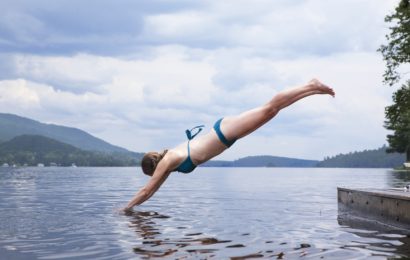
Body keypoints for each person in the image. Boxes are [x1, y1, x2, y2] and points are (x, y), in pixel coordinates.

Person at [124, 79, 335, 210]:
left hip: (223, 133)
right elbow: (152, 191)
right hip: (225, 136)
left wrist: (124, 210)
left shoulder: (168, 159)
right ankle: (312, 89)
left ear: (152, 168)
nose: (154, 178)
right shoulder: (169, 163)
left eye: (151, 175)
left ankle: (310, 86)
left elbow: (145, 191)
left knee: (269, 109)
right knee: (271, 111)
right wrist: (132, 208)